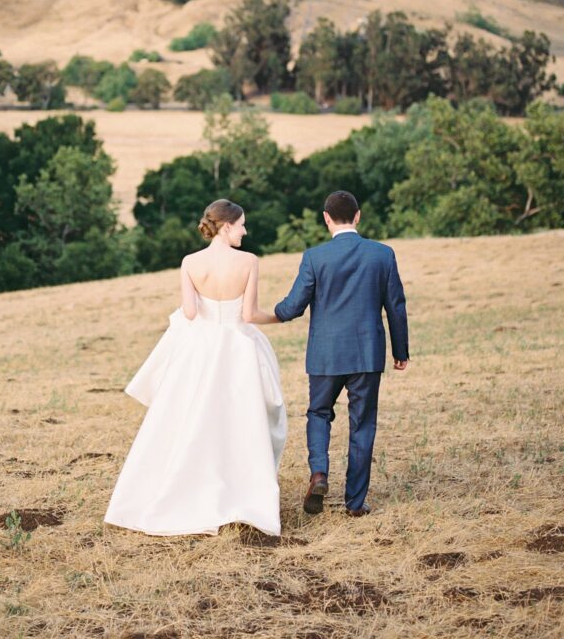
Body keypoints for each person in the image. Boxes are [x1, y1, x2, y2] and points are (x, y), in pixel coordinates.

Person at [104, 199, 287, 536]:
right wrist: (281, 314)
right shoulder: (248, 261)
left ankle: (185, 489)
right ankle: (238, 491)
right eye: (242, 224)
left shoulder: (190, 262)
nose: (245, 231)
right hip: (238, 350)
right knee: (240, 423)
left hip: (200, 351)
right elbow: (248, 315)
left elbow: (189, 313)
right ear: (227, 225)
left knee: (190, 420)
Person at [274, 190, 409, 517]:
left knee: (319, 413)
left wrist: (269, 312)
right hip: (367, 353)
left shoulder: (314, 257)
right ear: (358, 216)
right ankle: (355, 503)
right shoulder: (382, 254)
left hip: (325, 355)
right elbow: (396, 307)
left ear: (326, 218)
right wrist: (400, 350)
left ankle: (319, 472)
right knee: (362, 424)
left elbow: (293, 307)